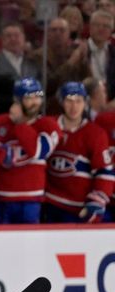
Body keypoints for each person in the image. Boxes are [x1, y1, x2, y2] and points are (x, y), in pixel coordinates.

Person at [0, 78, 60, 224]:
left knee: (29, 245)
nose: (34, 102)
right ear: (17, 100)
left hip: (31, 200)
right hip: (1, 198)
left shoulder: (49, 125)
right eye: (28, 97)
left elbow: (37, 152)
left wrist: (20, 123)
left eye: (37, 97)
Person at [45, 81, 114, 223]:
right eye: (69, 101)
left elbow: (104, 171)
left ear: (85, 103)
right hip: (48, 204)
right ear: (62, 102)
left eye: (78, 101)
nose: (74, 107)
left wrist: (97, 200)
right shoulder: (47, 126)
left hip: (77, 210)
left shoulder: (95, 134)